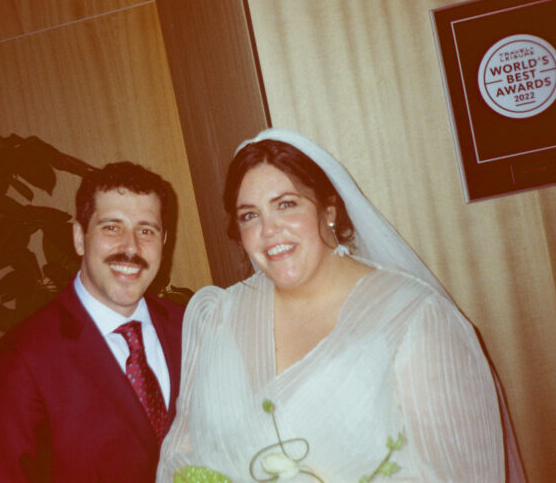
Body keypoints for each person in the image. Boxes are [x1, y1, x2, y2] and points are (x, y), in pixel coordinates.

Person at [157, 128, 525, 482]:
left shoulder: (415, 319)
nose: (269, 230)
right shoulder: (218, 316)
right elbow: (181, 455)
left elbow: (461, 473)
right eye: (250, 215)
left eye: (286, 205)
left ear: (329, 210)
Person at [0, 161, 185, 482]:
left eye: (146, 230)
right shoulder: (20, 361)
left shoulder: (190, 327)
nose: (131, 247)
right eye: (112, 227)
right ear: (78, 237)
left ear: (163, 241)